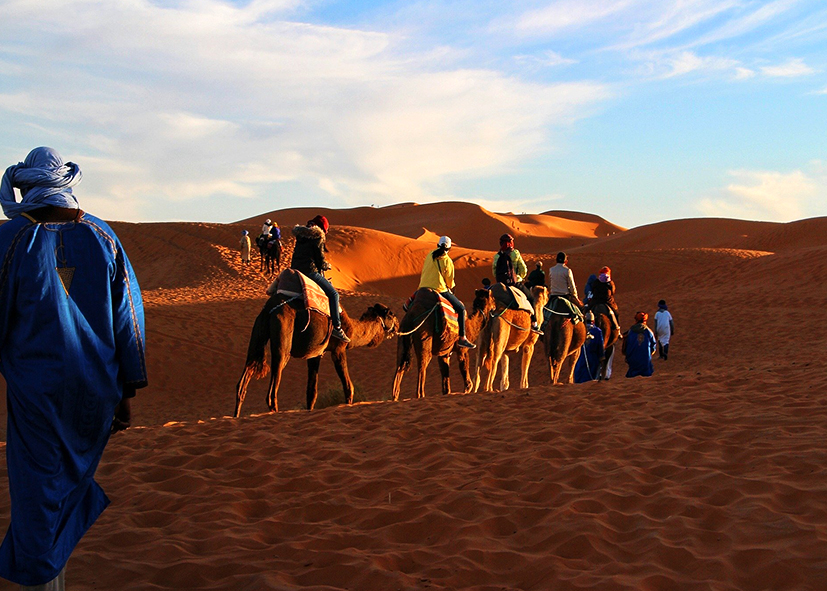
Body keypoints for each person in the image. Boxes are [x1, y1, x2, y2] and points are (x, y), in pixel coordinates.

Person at [0, 147, 147, 589]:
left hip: (37, 395)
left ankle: (40, 577)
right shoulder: (104, 237)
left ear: (27, 187)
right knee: (61, 487)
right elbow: (130, 320)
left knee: (38, 495)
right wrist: (126, 394)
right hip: (94, 394)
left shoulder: (10, 241)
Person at [290, 215, 349, 342]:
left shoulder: (301, 235)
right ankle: (337, 327)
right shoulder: (318, 236)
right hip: (309, 271)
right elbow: (319, 260)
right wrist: (326, 265)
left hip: (295, 269)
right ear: (323, 228)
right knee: (333, 294)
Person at [418, 236, 475, 348]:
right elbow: (449, 281)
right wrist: (451, 287)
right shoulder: (447, 261)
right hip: (439, 289)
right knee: (461, 308)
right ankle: (462, 338)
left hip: (423, 287)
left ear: (438, 245)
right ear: (449, 249)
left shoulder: (430, 254)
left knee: (411, 303)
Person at [491, 234, 541, 333]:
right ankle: (534, 323)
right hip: (515, 284)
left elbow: (494, 272)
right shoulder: (515, 253)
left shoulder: (497, 256)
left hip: (500, 284)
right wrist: (518, 277)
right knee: (531, 299)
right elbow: (524, 270)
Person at [622, 311, 657, 378]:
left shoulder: (631, 331)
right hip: (645, 360)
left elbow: (625, 345)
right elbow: (653, 345)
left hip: (632, 360)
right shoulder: (648, 331)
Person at [574, 312, 605, 383]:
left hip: (580, 358)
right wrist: (602, 357)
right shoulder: (597, 331)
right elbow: (600, 346)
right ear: (593, 321)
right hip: (593, 359)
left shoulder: (580, 330)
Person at [589, 266, 620, 331]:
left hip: (596, 302)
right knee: (616, 313)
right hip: (607, 302)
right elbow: (613, 292)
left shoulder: (596, 281)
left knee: (586, 311)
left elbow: (592, 290)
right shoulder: (610, 283)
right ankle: (617, 328)